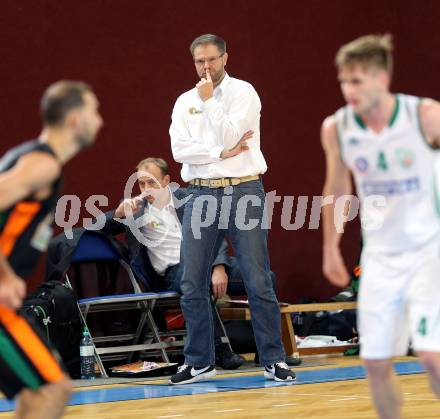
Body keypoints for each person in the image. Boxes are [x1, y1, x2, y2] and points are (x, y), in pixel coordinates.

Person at [321, 34, 440, 419]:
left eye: (357, 81)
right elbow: (337, 189)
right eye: (343, 80)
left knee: (431, 356)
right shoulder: (337, 128)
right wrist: (330, 247)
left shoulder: (423, 115)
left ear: (382, 77)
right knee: (374, 362)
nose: (347, 89)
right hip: (381, 257)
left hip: (428, 250)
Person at [169, 33, 295, 384]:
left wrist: (211, 106)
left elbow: (229, 138)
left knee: (258, 279)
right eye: (199, 61)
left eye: (211, 60)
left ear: (225, 57)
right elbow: (180, 151)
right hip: (199, 193)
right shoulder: (183, 101)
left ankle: (273, 359)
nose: (205, 67)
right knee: (191, 281)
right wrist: (216, 154)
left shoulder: (244, 93)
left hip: (243, 191)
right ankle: (199, 362)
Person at [46, 157, 244, 369]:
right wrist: (118, 214)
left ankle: (268, 353)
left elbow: (214, 234)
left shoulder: (189, 199)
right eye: (142, 183)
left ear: (166, 180)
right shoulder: (135, 210)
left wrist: (219, 267)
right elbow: (92, 229)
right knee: (193, 280)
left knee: (260, 276)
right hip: (173, 271)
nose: (146, 188)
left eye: (152, 182)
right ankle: (220, 350)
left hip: (208, 262)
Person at [0, 81, 103, 419]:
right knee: (52, 389)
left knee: (40, 391)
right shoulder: (42, 165)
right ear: (75, 119)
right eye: (93, 112)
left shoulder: (32, 159)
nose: (99, 121)